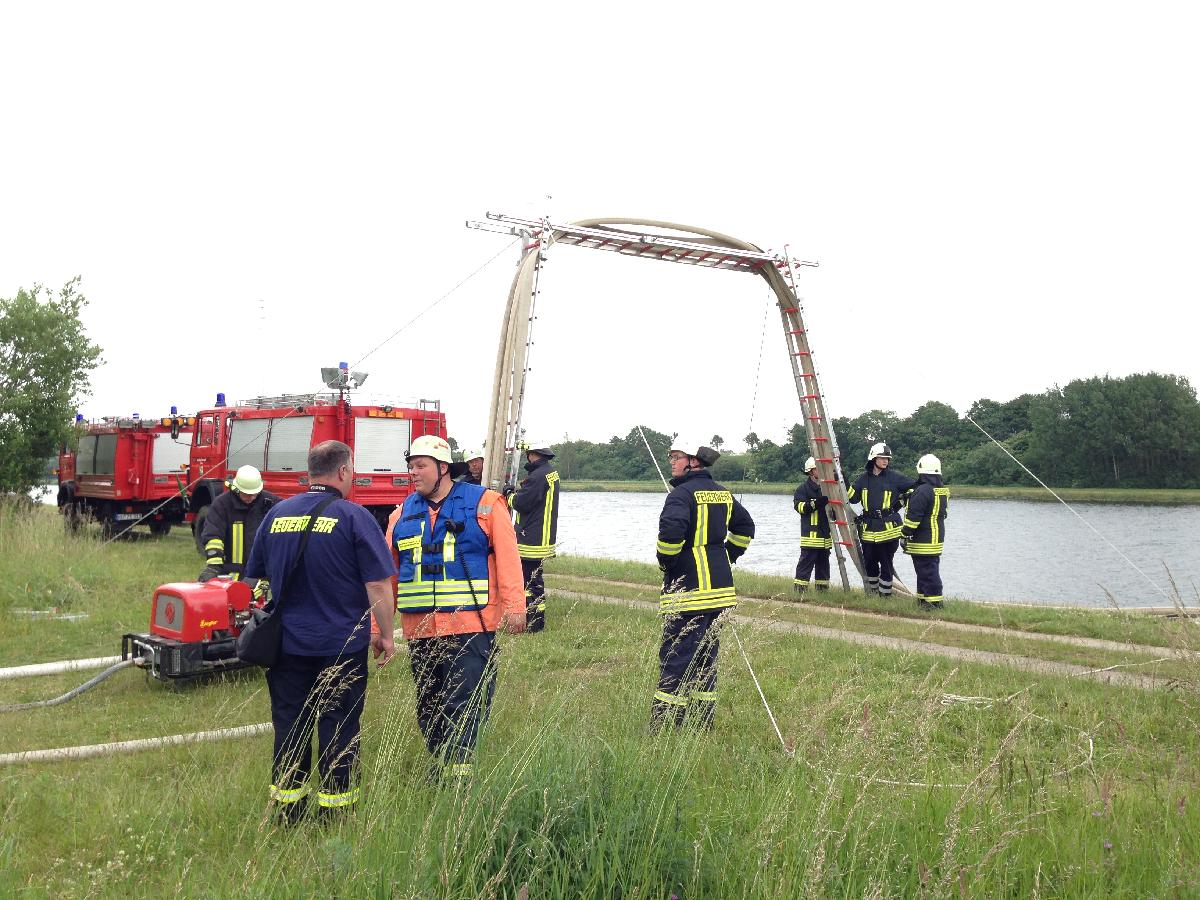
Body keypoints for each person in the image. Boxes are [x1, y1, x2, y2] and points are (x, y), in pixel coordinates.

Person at [243, 441, 397, 825]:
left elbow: (256, 577)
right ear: (343, 471)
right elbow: (378, 585)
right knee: (339, 727)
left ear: (310, 471)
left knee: (290, 727)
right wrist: (386, 634)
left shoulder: (277, 514)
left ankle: (288, 812)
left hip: (285, 645)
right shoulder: (354, 517)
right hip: (340, 647)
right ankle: (337, 814)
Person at [387, 435, 526, 784]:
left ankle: (458, 780)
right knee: (429, 705)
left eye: (420, 466)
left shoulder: (486, 504)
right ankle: (441, 766)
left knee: (463, 704)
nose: (413, 472)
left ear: (443, 468)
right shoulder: (401, 514)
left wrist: (515, 606)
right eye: (411, 466)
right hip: (420, 629)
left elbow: (508, 557)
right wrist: (378, 628)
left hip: (470, 625)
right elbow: (388, 574)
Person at [653, 437, 755, 731]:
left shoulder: (680, 495)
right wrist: (727, 555)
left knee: (675, 658)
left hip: (689, 592)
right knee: (705, 660)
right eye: (671, 457)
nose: (672, 462)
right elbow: (745, 527)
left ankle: (665, 727)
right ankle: (702, 723)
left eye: (676, 457)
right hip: (720, 593)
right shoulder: (723, 494)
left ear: (694, 461)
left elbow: (670, 537)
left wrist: (668, 564)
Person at [198, 465, 281, 600]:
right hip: (230, 573)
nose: (251, 498)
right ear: (236, 489)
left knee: (256, 606)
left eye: (254, 494)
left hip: (261, 575)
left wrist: (265, 575)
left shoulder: (271, 503)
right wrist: (213, 567)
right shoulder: (222, 504)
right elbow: (213, 536)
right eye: (247, 494)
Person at [846, 442, 916, 598]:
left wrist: (902, 501)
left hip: (889, 530)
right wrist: (843, 480)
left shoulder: (895, 477)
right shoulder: (863, 479)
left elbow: (916, 487)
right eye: (882, 458)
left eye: (887, 458)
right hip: (869, 530)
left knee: (886, 563)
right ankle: (873, 594)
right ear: (873, 458)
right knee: (870, 563)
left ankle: (885, 597)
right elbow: (853, 498)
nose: (886, 461)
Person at [509, 441, 560, 633]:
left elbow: (521, 503)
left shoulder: (538, 476)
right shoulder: (548, 472)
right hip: (541, 537)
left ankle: (534, 624)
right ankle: (535, 622)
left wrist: (509, 495)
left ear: (532, 454)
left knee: (529, 583)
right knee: (534, 581)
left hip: (531, 539)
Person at [902, 453, 950, 609]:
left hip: (923, 539)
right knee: (926, 571)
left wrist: (905, 533)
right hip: (936, 537)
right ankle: (923, 600)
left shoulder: (922, 491)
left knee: (927, 572)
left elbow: (914, 516)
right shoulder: (941, 491)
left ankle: (933, 603)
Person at [793, 456, 832, 594]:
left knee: (823, 567)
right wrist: (816, 503)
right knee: (805, 566)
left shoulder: (828, 488)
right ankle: (799, 592)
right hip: (810, 538)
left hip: (825, 538)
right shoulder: (802, 489)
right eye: (818, 468)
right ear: (810, 471)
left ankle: (822, 592)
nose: (821, 471)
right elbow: (800, 508)